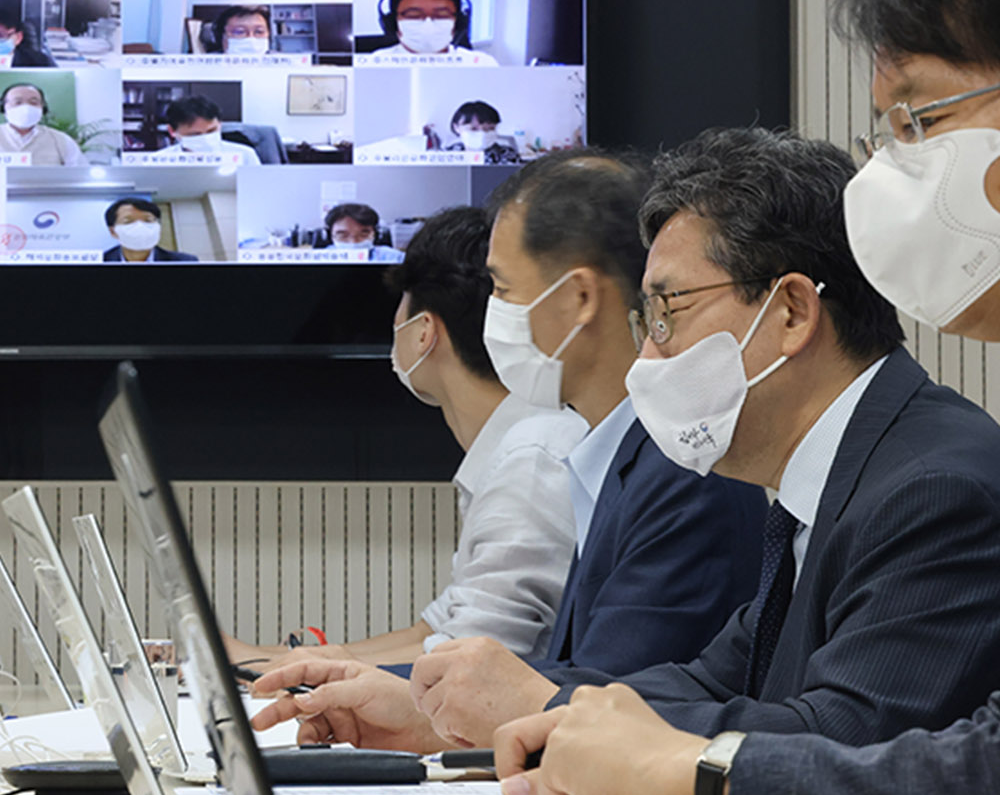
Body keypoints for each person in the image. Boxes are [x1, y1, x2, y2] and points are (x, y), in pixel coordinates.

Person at [489, 0, 1000, 795]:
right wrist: (581, 723)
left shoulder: (946, 485)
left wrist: (700, 773)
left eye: (920, 121)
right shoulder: (835, 478)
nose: (888, 173)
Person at [300, 126, 1000, 756]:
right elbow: (711, 682)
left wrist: (539, 709)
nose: (649, 357)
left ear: (791, 312)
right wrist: (449, 717)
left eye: (667, 313)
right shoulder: (830, 479)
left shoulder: (939, 491)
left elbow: (839, 739)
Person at [252, 151, 768, 743]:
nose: (489, 311)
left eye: (501, 287)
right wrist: (416, 714)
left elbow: (612, 712)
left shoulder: (680, 472)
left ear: (579, 299)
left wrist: (426, 713)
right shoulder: (619, 456)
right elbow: (575, 692)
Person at [227, 207, 586, 669]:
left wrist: (293, 670)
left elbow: (465, 662)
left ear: (423, 333)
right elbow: (434, 632)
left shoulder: (531, 459)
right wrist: (276, 660)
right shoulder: (513, 446)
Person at [373, 0, 498, 63]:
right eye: (414, 16)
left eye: (442, 15)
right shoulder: (375, 62)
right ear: (392, 22)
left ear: (458, 21)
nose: (428, 24)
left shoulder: (481, 62)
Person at [0, 82, 85, 165]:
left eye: (34, 102)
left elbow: (80, 172)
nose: (26, 107)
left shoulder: (60, 139)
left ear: (43, 108)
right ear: (3, 108)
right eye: (17, 102)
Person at [145, 96, 261, 166]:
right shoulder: (157, 161)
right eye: (195, 134)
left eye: (211, 131)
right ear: (172, 131)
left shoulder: (245, 154)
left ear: (220, 124)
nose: (206, 138)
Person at [101, 198, 198, 263]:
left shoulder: (184, 262)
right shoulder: (99, 262)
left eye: (148, 220)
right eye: (128, 221)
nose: (140, 227)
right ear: (113, 232)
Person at [431, 100, 521, 162]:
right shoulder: (447, 156)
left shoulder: (507, 155)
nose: (482, 133)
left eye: (489, 129)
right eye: (473, 129)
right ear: (456, 127)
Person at [323, 203, 404, 263]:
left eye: (363, 234)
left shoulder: (396, 258)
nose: (353, 242)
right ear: (330, 235)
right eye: (343, 235)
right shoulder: (319, 259)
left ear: (375, 234)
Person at [206, 5, 273, 55]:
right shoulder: (203, 67)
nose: (250, 38)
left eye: (259, 31)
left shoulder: (281, 67)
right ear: (221, 36)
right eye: (239, 32)